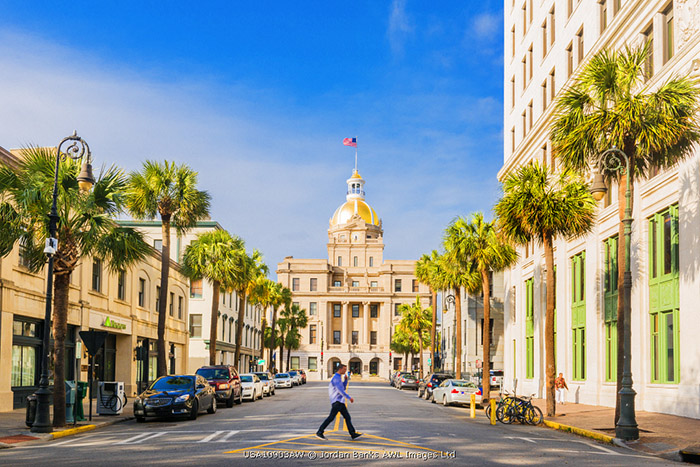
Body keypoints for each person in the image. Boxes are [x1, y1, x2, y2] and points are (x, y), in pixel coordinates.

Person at [316, 364, 362, 440]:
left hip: (340, 402)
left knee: (347, 417)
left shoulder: (339, 378)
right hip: (337, 401)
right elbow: (340, 391)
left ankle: (353, 434)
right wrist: (349, 397)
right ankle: (319, 432)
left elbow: (343, 388)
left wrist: (346, 380)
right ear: (340, 369)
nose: (345, 371)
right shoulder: (336, 378)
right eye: (344, 369)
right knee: (331, 418)